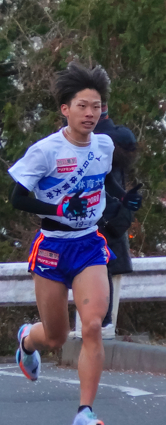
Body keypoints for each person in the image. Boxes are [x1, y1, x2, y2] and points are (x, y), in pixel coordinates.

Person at [8, 62, 115, 425]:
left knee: (90, 326)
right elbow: (17, 197)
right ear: (64, 109)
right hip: (52, 245)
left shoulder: (105, 145)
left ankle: (84, 413)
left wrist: (118, 206)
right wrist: (57, 209)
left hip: (88, 244)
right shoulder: (45, 151)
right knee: (55, 337)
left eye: (97, 106)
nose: (90, 114)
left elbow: (105, 185)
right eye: (83, 106)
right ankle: (27, 340)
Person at [92, 110, 142, 338]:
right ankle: (103, 325)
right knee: (106, 270)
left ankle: (102, 325)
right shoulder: (118, 138)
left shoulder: (100, 140)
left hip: (105, 217)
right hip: (113, 217)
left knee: (102, 269)